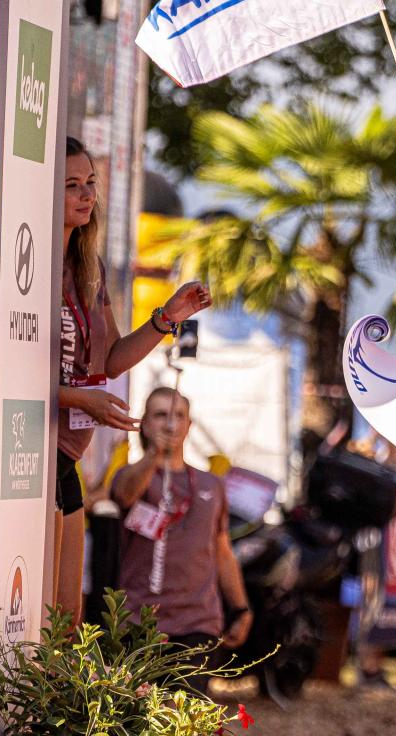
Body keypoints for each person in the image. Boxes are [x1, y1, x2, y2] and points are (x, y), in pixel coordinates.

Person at [54, 137, 211, 619]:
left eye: (91, 184)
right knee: (39, 616)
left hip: (67, 457)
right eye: (72, 186)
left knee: (66, 619)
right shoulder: (30, 260)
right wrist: (80, 402)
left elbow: (112, 360)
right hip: (28, 456)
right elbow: (3, 377)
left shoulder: (88, 267)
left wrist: (167, 317)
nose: (86, 196)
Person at [106, 387, 252, 671]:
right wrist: (153, 454)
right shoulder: (130, 475)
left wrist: (241, 609)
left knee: (186, 712)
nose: (170, 423)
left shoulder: (212, 485)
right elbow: (124, 495)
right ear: (145, 424)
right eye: (160, 415)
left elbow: (222, 550)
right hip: (140, 622)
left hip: (197, 623)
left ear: (189, 425)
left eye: (178, 416)